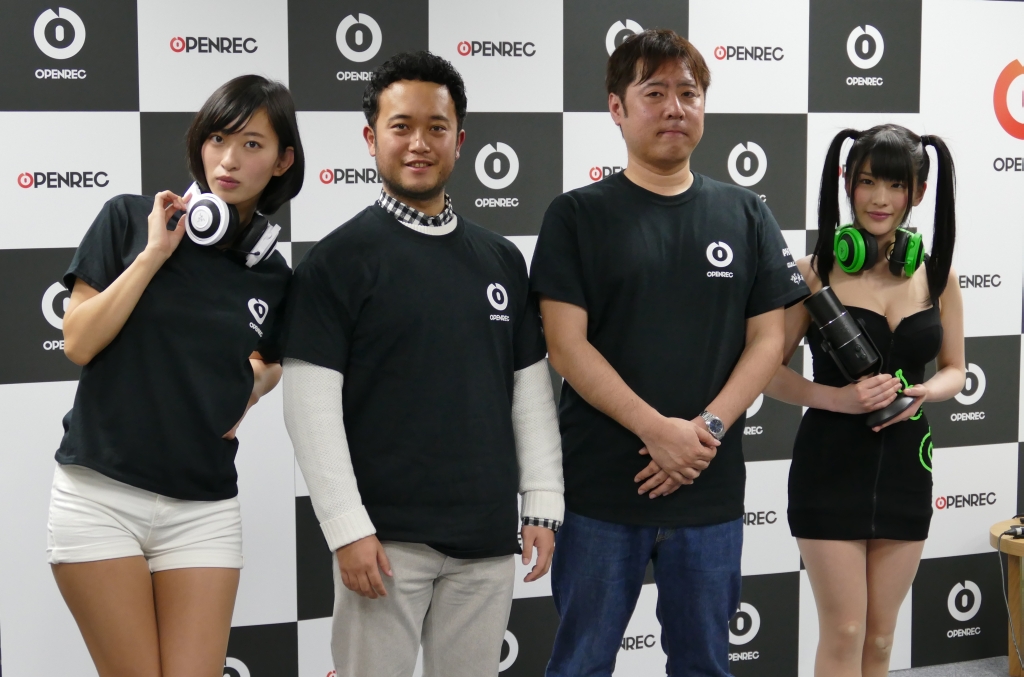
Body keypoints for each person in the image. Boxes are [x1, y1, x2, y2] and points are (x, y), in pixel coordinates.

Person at [530, 29, 809, 677]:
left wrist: (704, 430)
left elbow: (770, 340)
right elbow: (565, 346)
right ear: (617, 107)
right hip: (601, 492)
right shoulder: (576, 216)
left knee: (705, 664)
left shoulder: (746, 213)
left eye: (689, 93)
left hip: (708, 491)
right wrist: (658, 431)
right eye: (654, 93)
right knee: (580, 664)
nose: (675, 108)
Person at [281, 51, 563, 677]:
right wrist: (347, 529)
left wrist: (542, 503)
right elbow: (308, 408)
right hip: (383, 543)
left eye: (436, 127)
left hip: (486, 540)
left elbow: (529, 394)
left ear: (459, 141)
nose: (419, 143)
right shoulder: (336, 262)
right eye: (400, 126)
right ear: (371, 139)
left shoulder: (500, 259)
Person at [48, 75, 303, 677]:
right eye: (217, 139)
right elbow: (78, 342)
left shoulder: (274, 276)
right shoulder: (127, 219)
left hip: (203, 507)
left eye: (251, 144)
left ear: (282, 161)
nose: (229, 160)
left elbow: (269, 362)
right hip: (100, 496)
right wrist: (153, 255)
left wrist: (250, 389)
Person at [764, 124, 964, 677]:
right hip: (829, 466)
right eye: (868, 181)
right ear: (847, 184)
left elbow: (955, 368)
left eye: (896, 185)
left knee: (879, 638)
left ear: (918, 192)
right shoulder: (813, 272)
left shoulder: (939, 275)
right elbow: (767, 375)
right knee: (846, 630)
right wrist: (838, 398)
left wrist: (926, 391)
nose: (880, 198)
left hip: (906, 467)